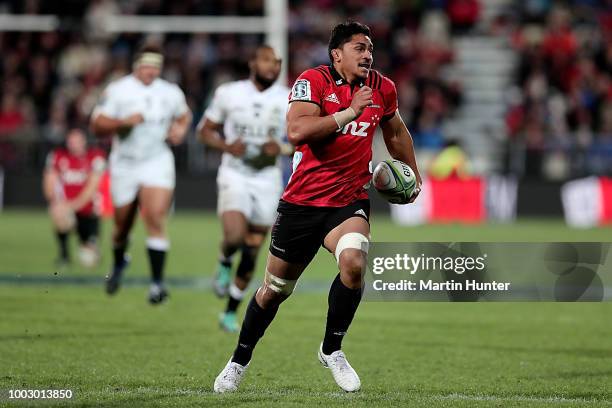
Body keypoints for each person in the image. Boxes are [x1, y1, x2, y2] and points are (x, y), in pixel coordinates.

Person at [214, 21, 422, 393]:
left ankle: (332, 349)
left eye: (371, 48)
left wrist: (415, 176)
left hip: (348, 201)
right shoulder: (313, 81)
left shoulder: (382, 88)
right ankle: (238, 360)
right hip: (302, 203)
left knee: (354, 263)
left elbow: (395, 132)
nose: (368, 54)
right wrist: (348, 113)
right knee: (274, 291)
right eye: (359, 48)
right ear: (336, 54)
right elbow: (296, 132)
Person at [198, 45, 292, 332]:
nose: (272, 67)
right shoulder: (229, 93)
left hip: (267, 178)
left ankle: (229, 311)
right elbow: (204, 131)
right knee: (235, 236)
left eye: (277, 63)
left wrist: (283, 147)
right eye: (266, 61)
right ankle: (224, 259)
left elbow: (305, 140)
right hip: (234, 174)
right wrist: (226, 146)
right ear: (252, 62)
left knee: (252, 251)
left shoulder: (288, 97)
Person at [90, 44, 192, 304]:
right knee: (122, 225)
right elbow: (96, 124)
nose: (151, 71)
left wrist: (179, 130)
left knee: (156, 219)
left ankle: (157, 284)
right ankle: (120, 261)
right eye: (147, 66)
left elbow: (184, 115)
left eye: (156, 66)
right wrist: (121, 122)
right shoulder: (118, 90)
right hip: (125, 163)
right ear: (137, 66)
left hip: (156, 160)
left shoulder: (169, 92)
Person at [43, 128, 106, 268]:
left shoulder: (96, 157)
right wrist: (58, 204)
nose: (73, 144)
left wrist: (72, 205)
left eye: (77, 141)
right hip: (67, 208)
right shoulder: (57, 156)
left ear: (84, 141)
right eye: (70, 141)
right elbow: (49, 185)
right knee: (57, 212)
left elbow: (91, 189)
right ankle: (64, 255)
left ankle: (89, 243)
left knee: (89, 261)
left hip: (89, 212)